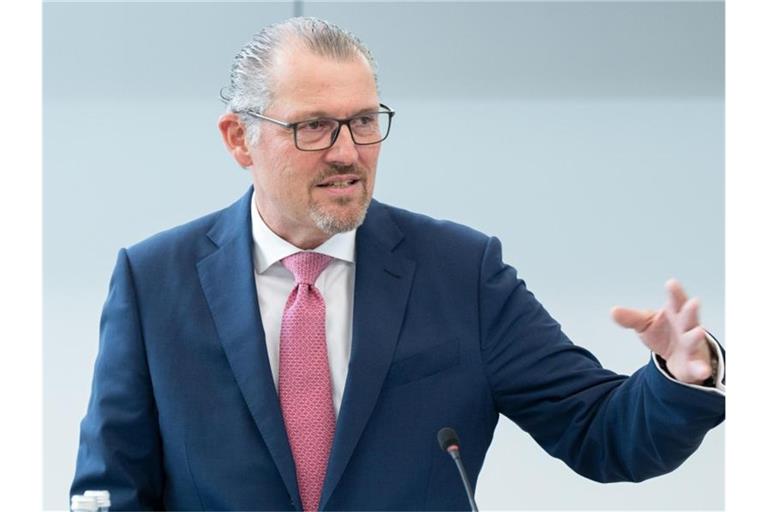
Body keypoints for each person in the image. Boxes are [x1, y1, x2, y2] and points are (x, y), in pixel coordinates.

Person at [71, 17, 725, 511]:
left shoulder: (462, 273)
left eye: (363, 122)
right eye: (314, 127)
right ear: (240, 139)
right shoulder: (155, 280)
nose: (348, 153)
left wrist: (679, 376)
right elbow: (110, 487)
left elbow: (602, 433)